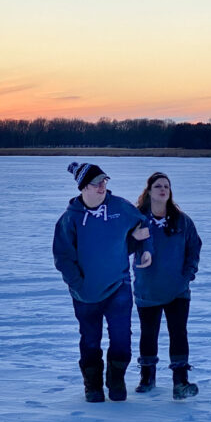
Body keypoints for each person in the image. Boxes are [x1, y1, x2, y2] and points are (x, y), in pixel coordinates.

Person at [53, 162, 152, 403]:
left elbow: (143, 225)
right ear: (83, 187)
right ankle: (93, 386)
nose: (102, 187)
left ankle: (116, 381)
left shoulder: (120, 208)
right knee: (90, 340)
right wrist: (78, 284)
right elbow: (63, 257)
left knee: (121, 338)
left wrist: (145, 248)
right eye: (96, 183)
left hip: (119, 287)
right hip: (85, 293)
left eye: (104, 181)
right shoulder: (70, 219)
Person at [131, 172, 203, 400]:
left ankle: (180, 382)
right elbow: (124, 245)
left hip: (178, 290)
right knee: (148, 332)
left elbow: (194, 248)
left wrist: (187, 275)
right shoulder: (138, 220)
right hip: (148, 289)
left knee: (178, 332)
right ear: (149, 191)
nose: (163, 190)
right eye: (158, 186)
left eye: (166, 186)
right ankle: (147, 377)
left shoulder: (182, 221)